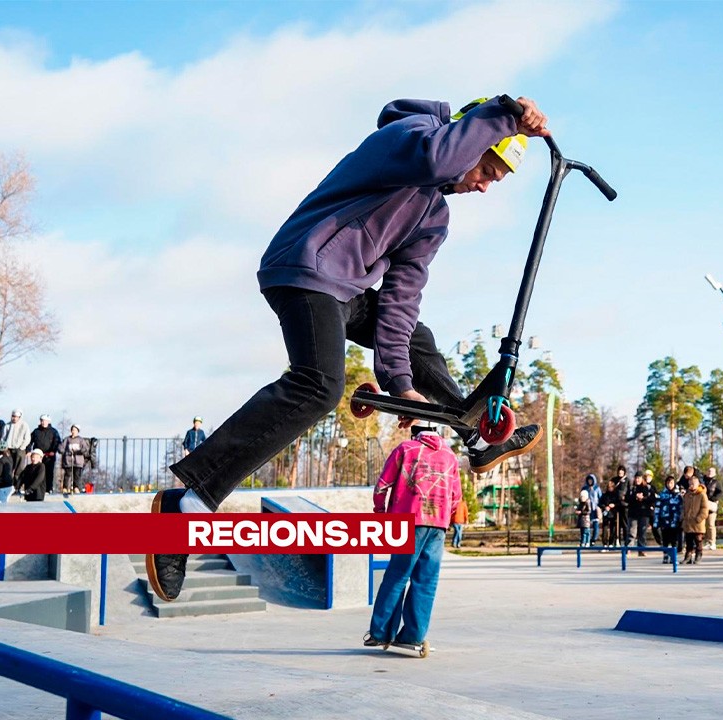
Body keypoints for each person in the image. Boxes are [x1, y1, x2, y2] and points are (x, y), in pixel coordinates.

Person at [146, 94, 550, 602]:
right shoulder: (408, 138)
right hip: (306, 267)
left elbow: (402, 302)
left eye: (497, 180)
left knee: (415, 336)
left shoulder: (434, 216)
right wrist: (503, 114)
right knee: (318, 384)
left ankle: (472, 433)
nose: (486, 186)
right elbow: (437, 158)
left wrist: (402, 386)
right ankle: (191, 501)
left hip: (350, 291)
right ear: (472, 138)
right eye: (488, 169)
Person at [364, 425, 461, 649]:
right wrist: (446, 515)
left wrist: (380, 512)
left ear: (414, 433)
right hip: (438, 524)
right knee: (426, 580)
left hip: (407, 522)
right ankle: (413, 635)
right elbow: (456, 496)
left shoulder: (406, 449)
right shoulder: (449, 456)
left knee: (397, 575)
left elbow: (382, 486)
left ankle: (380, 632)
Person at [28, 415, 61, 494]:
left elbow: (57, 442)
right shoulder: (36, 431)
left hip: (49, 456)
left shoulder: (53, 431)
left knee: (49, 472)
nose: (43, 422)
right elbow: (29, 441)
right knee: (37, 472)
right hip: (38, 456)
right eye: (42, 420)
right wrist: (28, 450)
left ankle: (48, 488)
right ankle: (36, 488)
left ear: (48, 422)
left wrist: (53, 450)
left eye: (45, 421)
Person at [681, 473, 710, 564]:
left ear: (698, 484)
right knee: (688, 541)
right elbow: (684, 507)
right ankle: (688, 557)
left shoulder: (702, 495)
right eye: (690, 484)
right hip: (688, 522)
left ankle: (698, 555)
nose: (691, 486)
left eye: (693, 484)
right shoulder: (687, 495)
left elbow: (705, 509)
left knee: (698, 541)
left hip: (698, 523)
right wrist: (683, 517)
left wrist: (699, 518)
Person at [654, 475, 682, 564]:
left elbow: (681, 507)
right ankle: (665, 555)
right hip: (664, 521)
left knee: (675, 540)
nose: (670, 485)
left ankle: (674, 557)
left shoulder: (678, 495)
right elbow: (657, 508)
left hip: (675, 521)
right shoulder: (662, 495)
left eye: (671, 483)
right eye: (668, 483)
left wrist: (680, 519)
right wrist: (656, 521)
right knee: (665, 540)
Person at [625, 471, 655, 556]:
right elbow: (626, 498)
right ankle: (629, 548)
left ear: (642, 479)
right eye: (636, 478)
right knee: (631, 531)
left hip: (644, 513)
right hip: (633, 512)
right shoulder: (631, 488)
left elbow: (652, 499)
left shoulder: (648, 488)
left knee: (642, 532)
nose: (637, 480)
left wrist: (643, 498)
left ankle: (641, 549)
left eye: (639, 478)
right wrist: (635, 497)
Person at [59, 425, 91, 495]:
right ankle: (65, 488)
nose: (73, 431)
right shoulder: (67, 439)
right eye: (72, 430)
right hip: (68, 461)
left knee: (77, 475)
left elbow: (85, 449)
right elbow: (61, 447)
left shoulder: (81, 440)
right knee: (67, 474)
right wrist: (62, 451)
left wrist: (79, 451)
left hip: (78, 461)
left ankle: (76, 487)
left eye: (75, 430)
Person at [2, 409, 31, 477]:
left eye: (16, 416)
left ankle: (17, 484)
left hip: (19, 449)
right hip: (8, 449)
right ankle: (7, 482)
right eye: (13, 416)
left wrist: (22, 447)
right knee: (8, 467)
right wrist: (4, 448)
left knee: (19, 468)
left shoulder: (24, 425)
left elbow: (27, 438)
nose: (14, 418)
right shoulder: (7, 425)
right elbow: (3, 437)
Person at [702, 467, 723, 550]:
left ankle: (712, 542)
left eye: (712, 471)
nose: (710, 473)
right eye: (709, 471)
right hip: (703, 505)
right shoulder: (703, 481)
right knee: (703, 525)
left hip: (711, 505)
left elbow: (720, 492)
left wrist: (714, 499)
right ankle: (706, 542)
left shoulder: (716, 482)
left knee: (711, 524)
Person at [610, 466, 630, 546]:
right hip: (615, 504)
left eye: (622, 471)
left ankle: (626, 541)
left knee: (625, 523)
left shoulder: (627, 480)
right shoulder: (614, 480)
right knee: (615, 524)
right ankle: (615, 540)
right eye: (619, 471)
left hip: (624, 505)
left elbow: (629, 491)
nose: (620, 472)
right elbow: (610, 490)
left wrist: (626, 498)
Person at [599, 479, 622, 548]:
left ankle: (611, 542)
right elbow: (600, 503)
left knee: (613, 529)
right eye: (609, 487)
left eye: (611, 487)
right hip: (606, 513)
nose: (610, 489)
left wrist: (614, 505)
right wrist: (605, 507)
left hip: (613, 513)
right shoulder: (604, 495)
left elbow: (619, 503)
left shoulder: (616, 495)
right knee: (605, 529)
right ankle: (605, 543)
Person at [581, 474, 602, 545]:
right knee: (586, 526)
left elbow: (600, 498)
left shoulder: (597, 488)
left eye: (591, 480)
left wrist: (599, 507)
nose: (590, 482)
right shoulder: (585, 488)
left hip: (595, 509)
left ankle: (593, 539)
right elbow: (581, 498)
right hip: (587, 510)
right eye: (589, 480)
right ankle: (586, 540)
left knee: (596, 525)